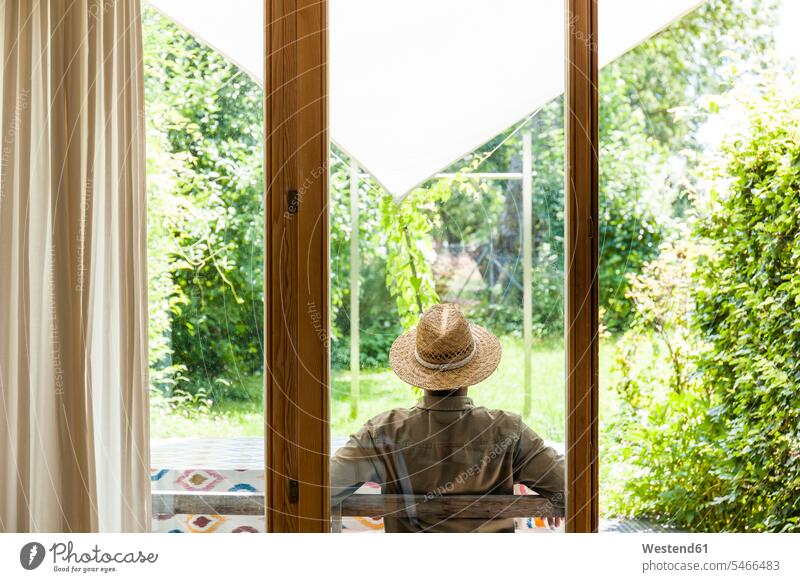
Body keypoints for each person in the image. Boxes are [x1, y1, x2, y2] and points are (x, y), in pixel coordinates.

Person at [330, 303, 565, 533]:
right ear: (472, 372)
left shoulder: (381, 431)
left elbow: (323, 489)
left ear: (419, 374)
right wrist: (548, 494)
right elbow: (572, 486)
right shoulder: (508, 430)